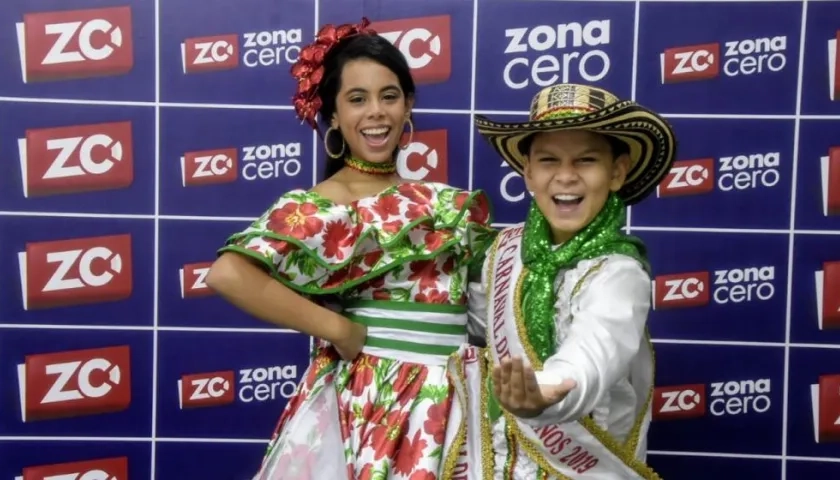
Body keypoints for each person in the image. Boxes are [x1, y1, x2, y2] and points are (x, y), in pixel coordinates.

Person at [205, 17, 497, 480]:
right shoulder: (323, 203)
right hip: (377, 398)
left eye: (389, 96)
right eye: (357, 99)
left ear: (408, 105)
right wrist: (336, 328)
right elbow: (228, 274)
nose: (376, 112)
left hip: (457, 396)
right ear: (334, 115)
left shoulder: (443, 203)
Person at [457, 83, 677, 479]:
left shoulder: (619, 273)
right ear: (528, 172)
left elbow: (594, 353)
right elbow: (469, 329)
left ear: (617, 172)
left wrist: (546, 391)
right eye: (548, 161)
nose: (565, 177)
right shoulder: (501, 254)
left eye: (586, 160)